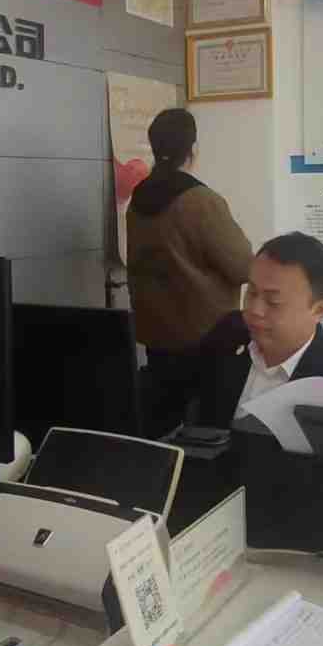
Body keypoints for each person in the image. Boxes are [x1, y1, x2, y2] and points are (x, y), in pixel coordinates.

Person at [126, 108, 254, 433]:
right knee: (208, 427)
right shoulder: (200, 201)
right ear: (193, 149)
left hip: (157, 335)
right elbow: (243, 267)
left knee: (164, 423)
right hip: (207, 338)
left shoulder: (137, 200)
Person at [187, 231, 323, 429]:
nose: (255, 310)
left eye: (273, 302)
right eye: (251, 292)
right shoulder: (229, 332)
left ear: (319, 310)